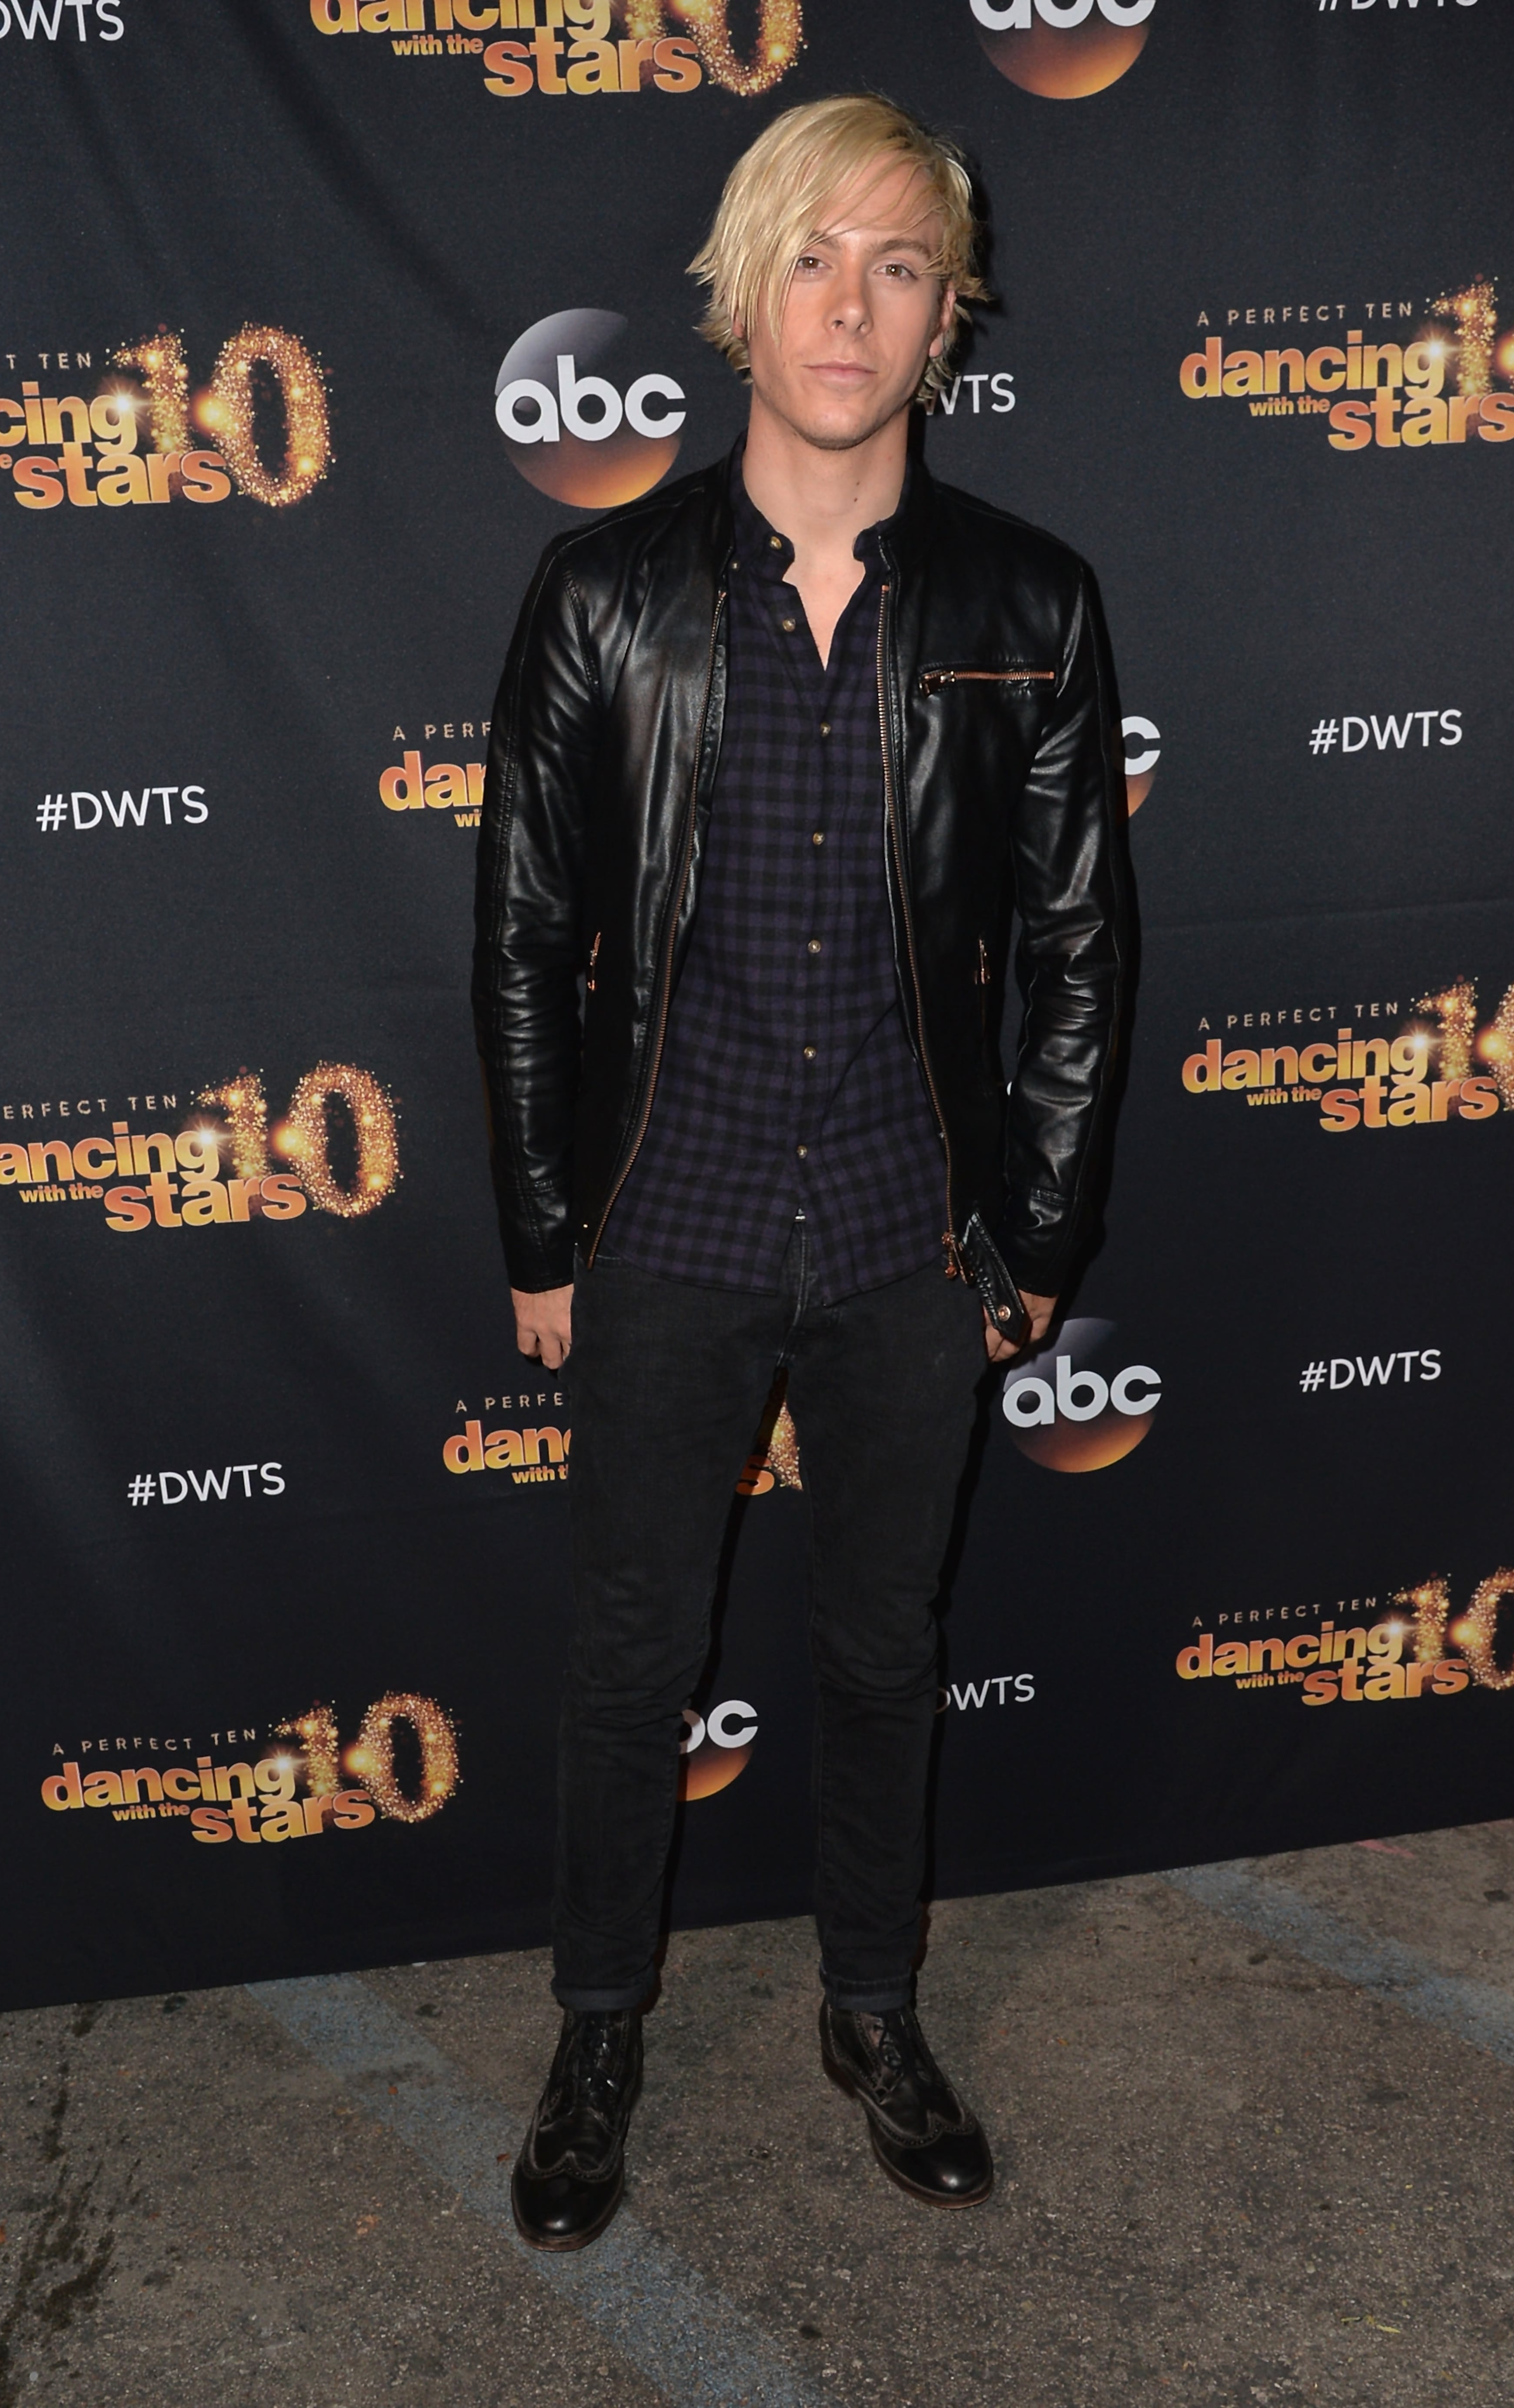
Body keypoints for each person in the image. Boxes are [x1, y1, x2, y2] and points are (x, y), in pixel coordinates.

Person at [473, 91, 1126, 2251]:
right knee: (627, 1653)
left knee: (877, 1643)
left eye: (903, 267)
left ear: (951, 318)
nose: (855, 307)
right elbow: (522, 931)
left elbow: (1073, 948)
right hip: (664, 1218)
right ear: (745, 292)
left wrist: (1029, 1229)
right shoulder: (608, 591)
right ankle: (595, 2029)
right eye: (818, 258)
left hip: (907, 1235)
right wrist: (545, 1229)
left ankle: (873, 2008)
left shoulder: (1029, 599)